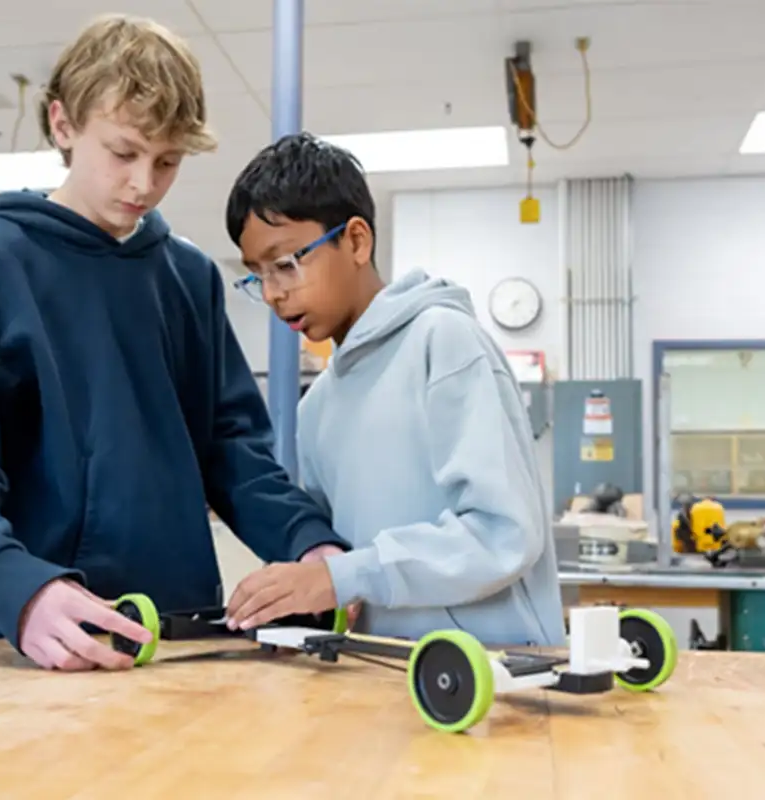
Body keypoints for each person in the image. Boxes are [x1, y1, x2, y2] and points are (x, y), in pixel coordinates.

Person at [0, 17, 348, 673]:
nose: (143, 185)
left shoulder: (188, 278)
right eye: (123, 153)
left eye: (168, 162)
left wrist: (309, 544)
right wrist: (14, 586)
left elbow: (233, 451)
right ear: (63, 125)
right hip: (41, 638)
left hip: (183, 632)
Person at [222, 132, 565, 648]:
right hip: (382, 678)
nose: (273, 293)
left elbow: (504, 534)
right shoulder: (317, 407)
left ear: (356, 241)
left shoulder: (444, 343)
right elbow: (338, 562)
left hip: (496, 676)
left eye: (288, 263)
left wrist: (343, 577)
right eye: (257, 276)